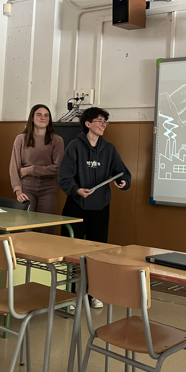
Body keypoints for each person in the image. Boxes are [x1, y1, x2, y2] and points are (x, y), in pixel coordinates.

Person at [58, 106, 131, 308]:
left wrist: (123, 182)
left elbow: (123, 173)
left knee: (98, 253)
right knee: (72, 252)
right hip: (76, 206)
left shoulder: (109, 149)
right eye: (100, 121)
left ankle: (94, 293)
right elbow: (64, 177)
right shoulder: (74, 146)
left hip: (100, 208)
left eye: (105, 121)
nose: (103, 125)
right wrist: (76, 190)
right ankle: (69, 295)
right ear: (88, 123)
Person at [9, 104, 64, 216]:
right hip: (26, 186)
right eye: (39, 115)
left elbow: (58, 168)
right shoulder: (21, 138)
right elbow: (14, 167)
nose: (43, 117)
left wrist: (31, 170)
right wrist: (18, 191)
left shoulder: (57, 140)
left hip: (48, 186)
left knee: (48, 222)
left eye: (46, 115)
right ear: (32, 118)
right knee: (25, 222)